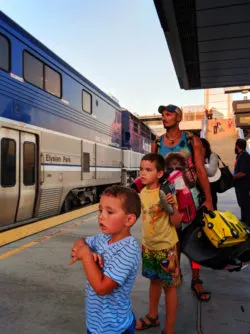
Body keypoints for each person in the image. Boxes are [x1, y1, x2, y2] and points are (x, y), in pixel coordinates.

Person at [152, 104, 213, 302]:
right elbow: (153, 172)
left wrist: (209, 199)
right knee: (172, 240)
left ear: (178, 118)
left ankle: (196, 279)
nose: (164, 117)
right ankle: (175, 273)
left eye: (168, 114)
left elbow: (201, 170)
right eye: (162, 115)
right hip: (167, 199)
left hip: (191, 199)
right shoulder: (157, 143)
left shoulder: (191, 140)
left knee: (194, 238)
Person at [69, 185, 141, 334]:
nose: (101, 216)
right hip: (95, 324)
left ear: (129, 219)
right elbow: (80, 242)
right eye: (100, 210)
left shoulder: (128, 249)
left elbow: (102, 288)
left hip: (115, 328)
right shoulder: (103, 239)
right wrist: (86, 249)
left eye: (109, 212)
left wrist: (86, 257)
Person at [136, 153, 182, 334]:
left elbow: (177, 222)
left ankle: (169, 329)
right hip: (149, 247)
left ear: (160, 173)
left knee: (169, 288)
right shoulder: (142, 193)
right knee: (153, 282)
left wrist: (172, 207)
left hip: (166, 249)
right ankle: (152, 316)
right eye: (141, 169)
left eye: (148, 170)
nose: (143, 173)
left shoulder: (166, 193)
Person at [200, 138, 221, 210]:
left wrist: (200, 163)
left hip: (211, 189)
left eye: (200, 147)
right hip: (199, 191)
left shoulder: (212, 156)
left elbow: (211, 172)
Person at [233, 139, 250, 227]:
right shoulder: (240, 155)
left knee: (245, 203)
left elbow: (243, 173)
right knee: (242, 203)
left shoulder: (244, 157)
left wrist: (232, 177)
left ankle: (248, 221)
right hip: (240, 184)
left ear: (237, 146)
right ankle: (244, 219)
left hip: (243, 185)